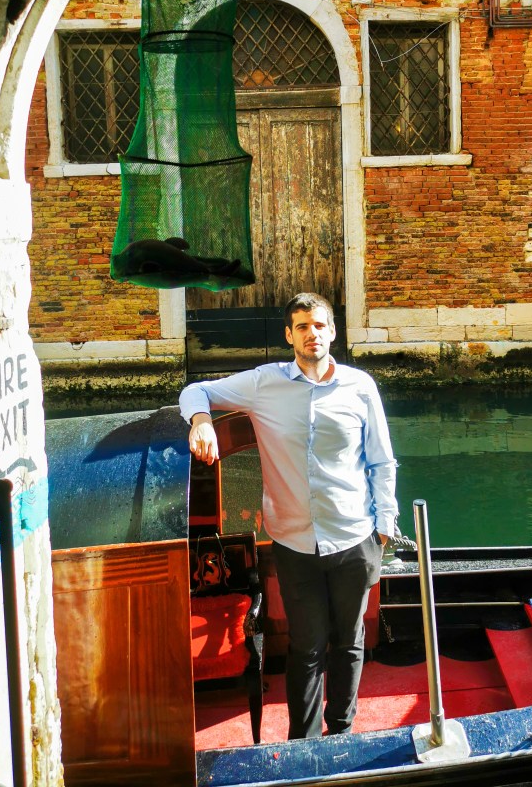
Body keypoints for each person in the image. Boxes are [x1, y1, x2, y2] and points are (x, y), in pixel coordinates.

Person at [179, 291, 399, 740]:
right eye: (302, 326)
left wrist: (383, 525)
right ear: (288, 335)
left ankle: (340, 729)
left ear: (332, 331)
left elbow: (381, 461)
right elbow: (195, 389)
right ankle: (303, 742)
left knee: (350, 642)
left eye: (319, 325)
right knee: (307, 646)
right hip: (295, 543)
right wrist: (201, 420)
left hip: (355, 537)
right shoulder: (263, 383)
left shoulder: (361, 387)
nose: (312, 334)